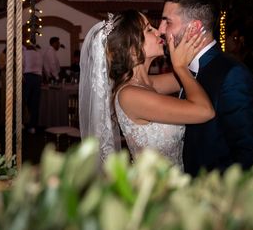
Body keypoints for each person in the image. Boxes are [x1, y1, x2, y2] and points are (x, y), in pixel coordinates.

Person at [79, 11, 213, 168]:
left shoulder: (148, 84)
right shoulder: (129, 95)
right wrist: (179, 67)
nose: (158, 31)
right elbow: (205, 111)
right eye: (149, 29)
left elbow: (196, 74)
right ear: (132, 49)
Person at [159, 0, 253, 174]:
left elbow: (248, 155)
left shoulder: (232, 75)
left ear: (194, 28)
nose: (161, 30)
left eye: (167, 22)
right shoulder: (185, 69)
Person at [23, 37, 43, 134]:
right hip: (38, 78)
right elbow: (42, 66)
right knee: (35, 103)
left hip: (28, 77)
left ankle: (22, 123)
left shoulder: (25, 52)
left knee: (24, 101)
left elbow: (22, 65)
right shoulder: (39, 53)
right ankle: (32, 126)